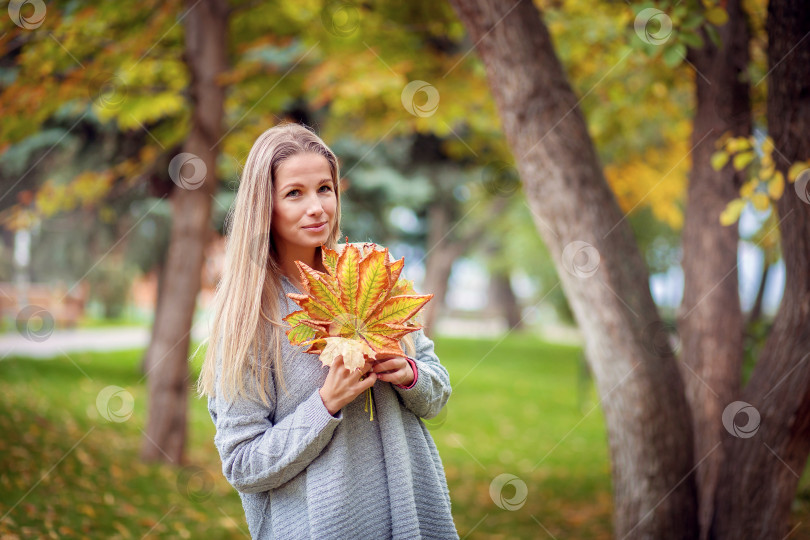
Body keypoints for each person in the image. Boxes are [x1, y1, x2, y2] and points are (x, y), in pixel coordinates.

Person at [197, 122, 458, 539]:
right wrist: (326, 404)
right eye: (294, 194)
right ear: (265, 206)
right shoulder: (249, 317)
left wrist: (410, 375)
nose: (316, 207)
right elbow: (243, 464)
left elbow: (437, 390)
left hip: (411, 518)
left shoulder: (370, 269)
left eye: (325, 188)